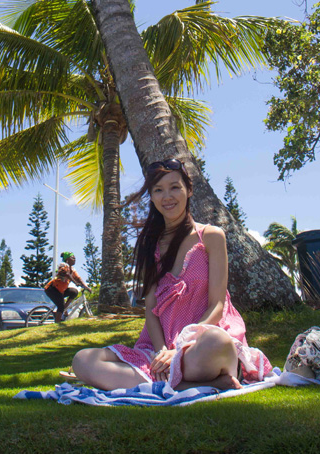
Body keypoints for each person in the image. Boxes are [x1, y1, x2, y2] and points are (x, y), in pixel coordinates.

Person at [71, 159, 272, 390]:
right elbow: (151, 309)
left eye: (175, 187)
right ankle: (189, 382)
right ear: (152, 197)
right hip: (161, 350)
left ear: (189, 190)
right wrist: (162, 353)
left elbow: (217, 306)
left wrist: (181, 347)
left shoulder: (210, 236)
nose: (167, 196)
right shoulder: (150, 245)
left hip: (200, 344)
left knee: (217, 342)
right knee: (83, 360)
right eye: (158, 190)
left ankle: (169, 382)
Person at [45, 252, 91, 323]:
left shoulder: (72, 269)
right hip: (52, 289)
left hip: (61, 290)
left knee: (74, 292)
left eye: (75, 258)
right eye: (72, 257)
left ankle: (64, 309)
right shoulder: (63, 266)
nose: (74, 259)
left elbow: (78, 278)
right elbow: (67, 274)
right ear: (67, 260)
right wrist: (75, 282)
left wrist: (86, 287)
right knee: (60, 306)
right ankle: (57, 323)